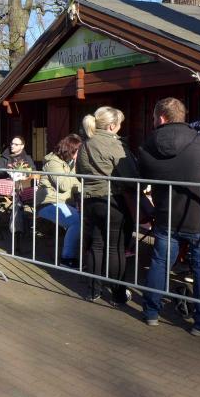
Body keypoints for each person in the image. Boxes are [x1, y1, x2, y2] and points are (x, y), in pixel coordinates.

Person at [139, 97, 200, 335]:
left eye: (153, 118)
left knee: (160, 263)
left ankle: (151, 312)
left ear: (161, 117)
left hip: (167, 215)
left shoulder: (147, 144)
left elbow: (143, 174)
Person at [76, 106, 139, 304]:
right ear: (112, 126)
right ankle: (118, 295)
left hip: (91, 200)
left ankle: (93, 291)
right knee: (115, 248)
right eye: (119, 124)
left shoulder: (86, 144)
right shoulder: (114, 144)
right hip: (113, 200)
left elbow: (78, 173)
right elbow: (131, 176)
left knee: (96, 245)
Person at [36, 134, 83, 268]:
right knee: (77, 221)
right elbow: (63, 185)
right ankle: (67, 258)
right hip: (48, 203)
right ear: (70, 149)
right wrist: (76, 170)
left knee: (88, 217)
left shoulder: (68, 163)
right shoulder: (53, 162)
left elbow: (77, 185)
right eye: (78, 151)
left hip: (64, 202)